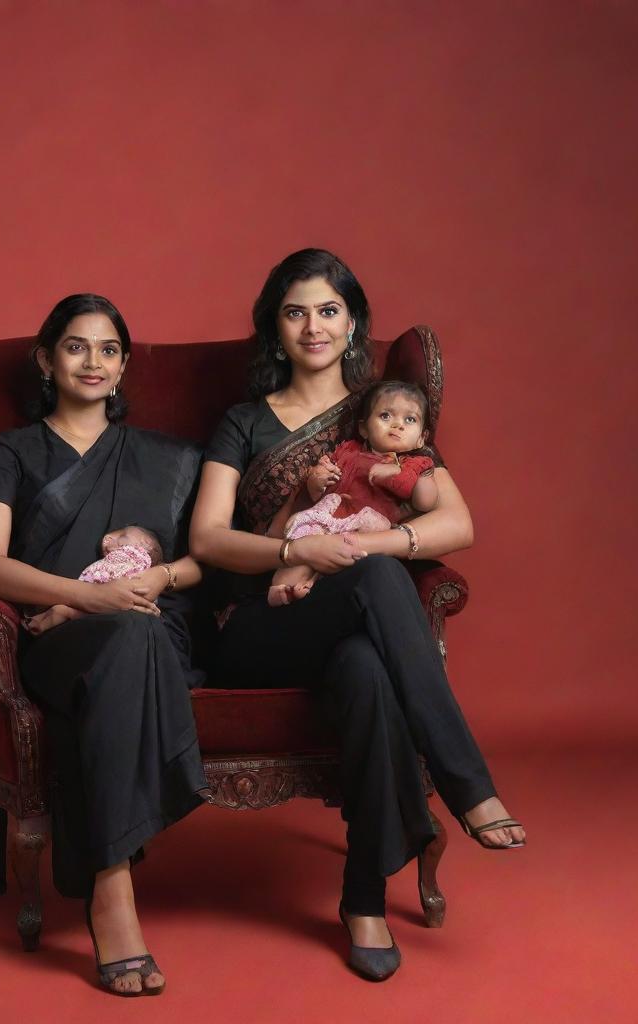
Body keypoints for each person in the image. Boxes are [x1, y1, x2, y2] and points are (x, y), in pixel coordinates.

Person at [189, 248, 526, 983]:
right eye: (295, 310)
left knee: (368, 671)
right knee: (375, 577)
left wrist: (366, 542)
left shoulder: (383, 418)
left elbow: (455, 525)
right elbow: (208, 539)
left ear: (352, 324)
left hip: (353, 618)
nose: (314, 325)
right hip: (257, 627)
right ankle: (466, 782)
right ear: (274, 328)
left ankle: (363, 899)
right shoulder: (243, 422)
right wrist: (307, 550)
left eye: (329, 309)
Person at [0, 294, 208, 996]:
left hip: (148, 624)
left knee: (138, 634)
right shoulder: (10, 453)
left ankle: (109, 883)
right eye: (75, 346)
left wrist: (147, 582)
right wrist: (82, 599)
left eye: (108, 350)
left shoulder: (168, 458)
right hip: (50, 640)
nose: (93, 362)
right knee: (125, 634)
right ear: (46, 359)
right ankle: (112, 891)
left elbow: (199, 562)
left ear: (125, 364)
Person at [269, 379, 437, 605]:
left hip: (366, 534)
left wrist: (394, 473)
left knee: (345, 570)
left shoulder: (415, 464)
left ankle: (312, 587)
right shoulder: (347, 451)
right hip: (330, 520)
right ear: (364, 428)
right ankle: (282, 590)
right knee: (303, 550)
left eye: (410, 419)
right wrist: (317, 480)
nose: (398, 425)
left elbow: (426, 502)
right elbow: (317, 491)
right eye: (386, 416)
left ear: (421, 438)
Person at [24, 524, 166, 635]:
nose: (107, 539)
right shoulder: (120, 562)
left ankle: (63, 613)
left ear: (146, 543)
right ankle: (65, 613)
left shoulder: (138, 556)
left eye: (121, 536)